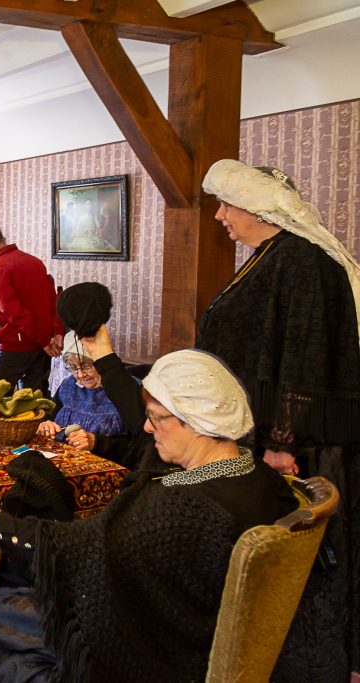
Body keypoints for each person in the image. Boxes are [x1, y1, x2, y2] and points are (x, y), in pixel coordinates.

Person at [0, 348, 297, 682]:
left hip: (155, 645)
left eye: (156, 418)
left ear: (196, 422)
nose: (148, 428)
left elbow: (77, 548)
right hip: (195, 626)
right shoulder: (262, 478)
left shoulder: (180, 509)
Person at [197, 159, 360, 679]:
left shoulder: (302, 263)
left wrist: (282, 442)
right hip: (263, 436)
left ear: (256, 207)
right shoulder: (271, 255)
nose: (220, 215)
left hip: (293, 447)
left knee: (299, 557)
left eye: (226, 205)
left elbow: (305, 357)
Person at [0, 224, 64, 397]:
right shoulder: (35, 262)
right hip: (41, 346)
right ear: (3, 240)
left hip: (15, 344)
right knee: (34, 401)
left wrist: (44, 340)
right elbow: (53, 301)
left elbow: (12, 312)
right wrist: (54, 334)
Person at [35, 332, 127, 460]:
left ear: (102, 360)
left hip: (104, 466)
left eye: (87, 366)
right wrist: (45, 424)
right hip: (61, 459)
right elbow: (50, 414)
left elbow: (137, 446)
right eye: (73, 368)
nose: (81, 374)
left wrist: (97, 442)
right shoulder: (69, 385)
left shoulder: (127, 390)